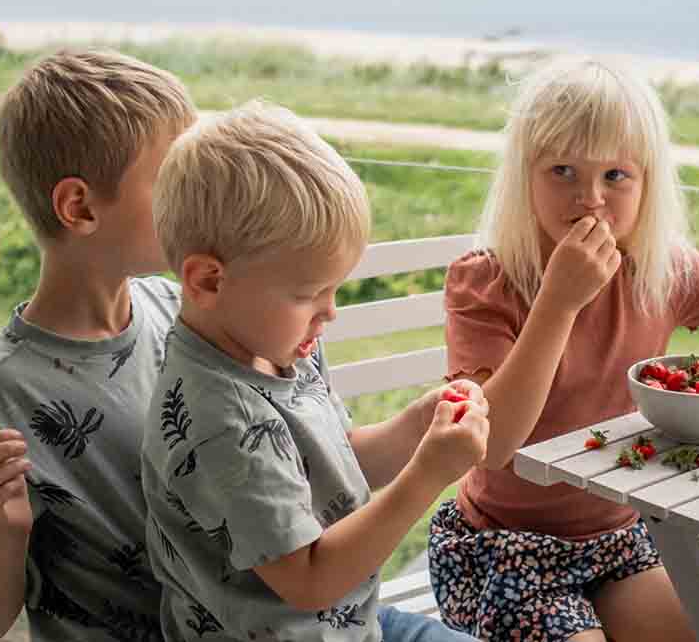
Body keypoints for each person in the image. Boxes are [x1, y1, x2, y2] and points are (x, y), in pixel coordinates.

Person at [427, 56, 699, 641]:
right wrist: (558, 303)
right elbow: (493, 444)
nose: (590, 198)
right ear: (523, 177)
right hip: (505, 550)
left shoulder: (659, 271)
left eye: (616, 176)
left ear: (647, 183)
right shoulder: (486, 284)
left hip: (618, 542)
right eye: (562, 170)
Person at [142, 101, 489, 641]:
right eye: (309, 294)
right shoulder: (219, 421)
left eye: (334, 290)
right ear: (209, 281)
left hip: (352, 623)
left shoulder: (279, 343)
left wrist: (420, 426)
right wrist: (428, 476)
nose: (330, 312)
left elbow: (338, 463)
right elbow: (310, 579)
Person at [0, 49, 195, 640]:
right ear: (79, 207)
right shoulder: (4, 388)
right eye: (172, 178)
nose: (195, 194)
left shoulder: (173, 305)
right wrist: (4, 532)